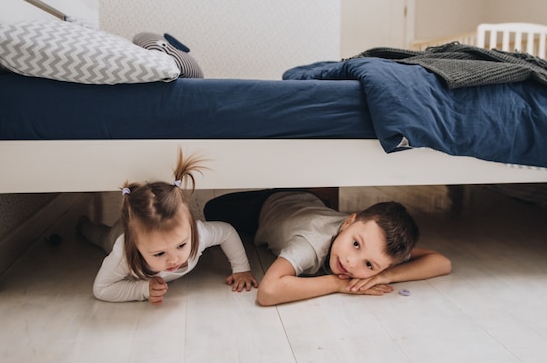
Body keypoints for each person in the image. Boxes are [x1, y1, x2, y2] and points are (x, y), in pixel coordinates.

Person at [204, 189, 451, 306]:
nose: (352, 262)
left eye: (369, 265)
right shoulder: (310, 244)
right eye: (356, 244)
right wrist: (338, 284)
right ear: (349, 222)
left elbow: (442, 262)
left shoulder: (377, 247)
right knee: (212, 209)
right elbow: (267, 292)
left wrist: (384, 275)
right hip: (265, 207)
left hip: (310, 203)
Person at [79, 150, 258, 305]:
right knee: (100, 236)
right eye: (159, 254)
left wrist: (241, 268)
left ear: (190, 228)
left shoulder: (198, 233)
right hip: (118, 233)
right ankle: (83, 225)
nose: (174, 260)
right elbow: (101, 289)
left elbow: (227, 232)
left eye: (181, 245)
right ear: (135, 246)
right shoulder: (124, 253)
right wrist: (143, 289)